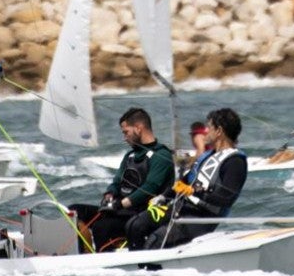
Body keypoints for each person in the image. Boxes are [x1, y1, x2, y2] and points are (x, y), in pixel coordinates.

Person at [126, 108, 248, 250]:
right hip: (181, 208)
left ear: (219, 131)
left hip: (202, 218)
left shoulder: (235, 162)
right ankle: (136, 263)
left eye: (209, 128)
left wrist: (194, 191)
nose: (205, 132)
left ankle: (149, 269)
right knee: (135, 225)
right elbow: (184, 182)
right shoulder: (208, 156)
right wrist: (163, 196)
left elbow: (227, 198)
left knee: (155, 241)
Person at [69, 108, 175, 252]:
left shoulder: (161, 156)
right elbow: (117, 182)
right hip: (121, 211)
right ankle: (84, 253)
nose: (124, 138)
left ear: (138, 128)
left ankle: (104, 262)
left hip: (142, 214)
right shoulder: (130, 156)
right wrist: (110, 194)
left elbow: (149, 189)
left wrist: (121, 204)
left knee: (102, 226)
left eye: (126, 132)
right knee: (74, 212)